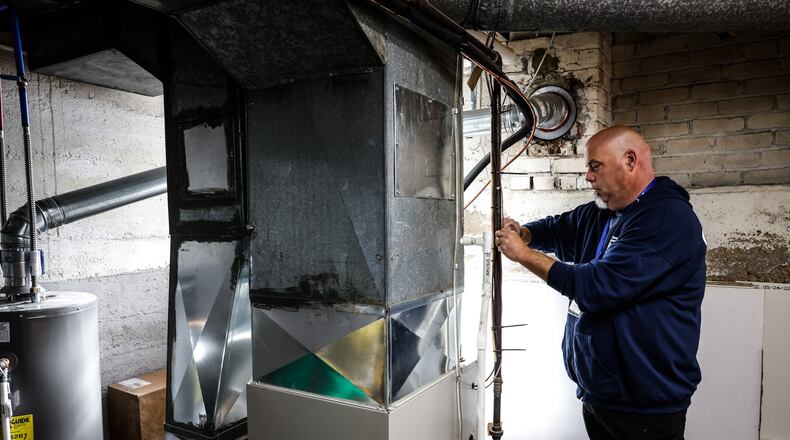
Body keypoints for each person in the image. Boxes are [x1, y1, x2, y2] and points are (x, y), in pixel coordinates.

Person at [495, 125, 706, 440]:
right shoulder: (605, 212)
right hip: (601, 392)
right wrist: (526, 233)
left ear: (630, 161)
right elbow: (560, 228)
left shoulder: (665, 219)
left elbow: (597, 287)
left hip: (644, 403)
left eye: (595, 166)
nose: (588, 177)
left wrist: (523, 255)